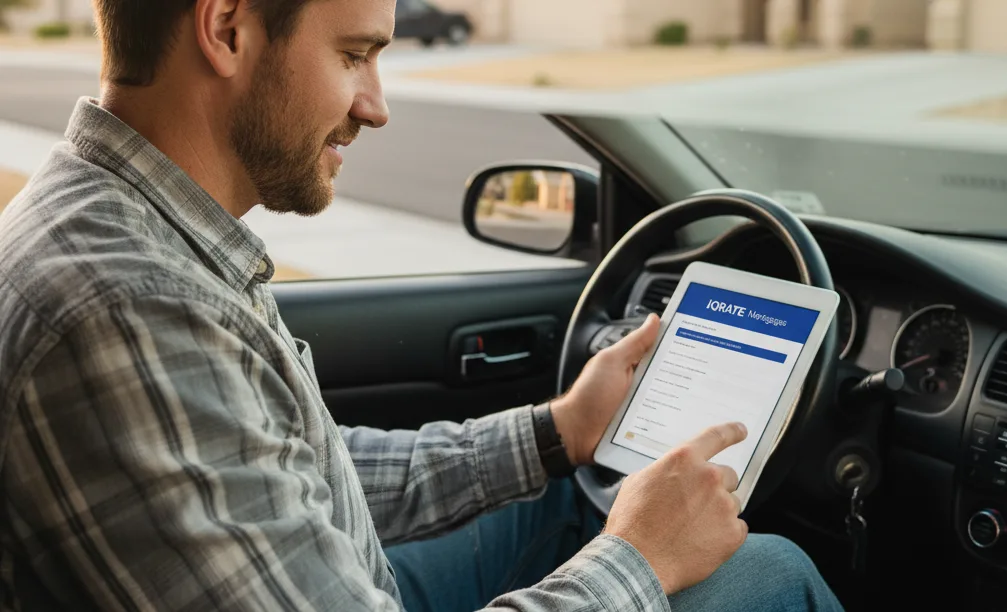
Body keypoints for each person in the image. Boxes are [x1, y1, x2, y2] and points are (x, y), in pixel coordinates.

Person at [0, 1, 844, 610]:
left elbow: (296, 464)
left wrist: (562, 429)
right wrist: (639, 559)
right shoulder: (130, 306)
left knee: (564, 493)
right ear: (226, 28)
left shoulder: (130, 226)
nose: (376, 104)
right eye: (354, 55)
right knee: (763, 570)